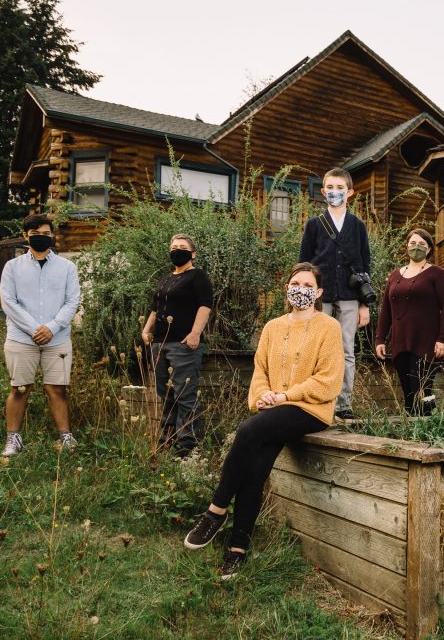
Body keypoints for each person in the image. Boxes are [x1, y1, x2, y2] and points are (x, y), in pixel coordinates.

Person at [183, 262, 343, 579]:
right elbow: (260, 373)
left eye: (308, 285)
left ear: (319, 292)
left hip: (310, 409)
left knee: (247, 432)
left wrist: (285, 396)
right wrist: (262, 397)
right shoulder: (271, 327)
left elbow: (328, 381)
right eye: (296, 283)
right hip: (273, 409)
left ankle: (215, 511)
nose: (302, 289)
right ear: (287, 288)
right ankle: (237, 549)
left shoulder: (328, 327)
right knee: (256, 466)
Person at [0, 213, 82, 456]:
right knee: (19, 388)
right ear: (26, 236)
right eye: (36, 235)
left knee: (57, 388)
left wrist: (52, 327)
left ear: (52, 235)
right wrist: (35, 329)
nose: (41, 238)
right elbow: (8, 302)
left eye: (46, 234)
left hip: (57, 339)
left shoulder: (67, 267)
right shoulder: (12, 267)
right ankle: (13, 439)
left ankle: (66, 437)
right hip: (21, 338)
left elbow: (72, 301)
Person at [298, 168, 371, 419]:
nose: (335, 192)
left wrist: (365, 305)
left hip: (350, 296)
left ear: (350, 192)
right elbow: (303, 264)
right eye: (330, 187)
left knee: (346, 350)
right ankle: (314, 402)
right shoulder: (314, 225)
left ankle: (343, 405)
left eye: (340, 188)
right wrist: (305, 299)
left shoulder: (358, 226)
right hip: (319, 297)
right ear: (323, 190)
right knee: (314, 348)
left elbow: (365, 265)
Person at [140, 233, 213, 458]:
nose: (177, 250)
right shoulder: (166, 278)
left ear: (192, 254)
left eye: (182, 247)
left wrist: (194, 334)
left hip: (183, 345)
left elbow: (205, 306)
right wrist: (146, 329)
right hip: (160, 344)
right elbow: (155, 307)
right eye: (173, 246)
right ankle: (167, 438)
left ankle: (187, 444)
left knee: (184, 393)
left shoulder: (198, 276)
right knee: (166, 393)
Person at [375, 228, 444, 415]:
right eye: (412, 243)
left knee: (424, 388)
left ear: (428, 250)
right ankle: (412, 433)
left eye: (421, 244)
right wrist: (380, 339)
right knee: (409, 393)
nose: (416, 247)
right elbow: (386, 309)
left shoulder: (437, 274)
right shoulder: (395, 275)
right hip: (400, 341)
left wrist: (443, 338)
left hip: (427, 342)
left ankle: (431, 422)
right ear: (406, 246)